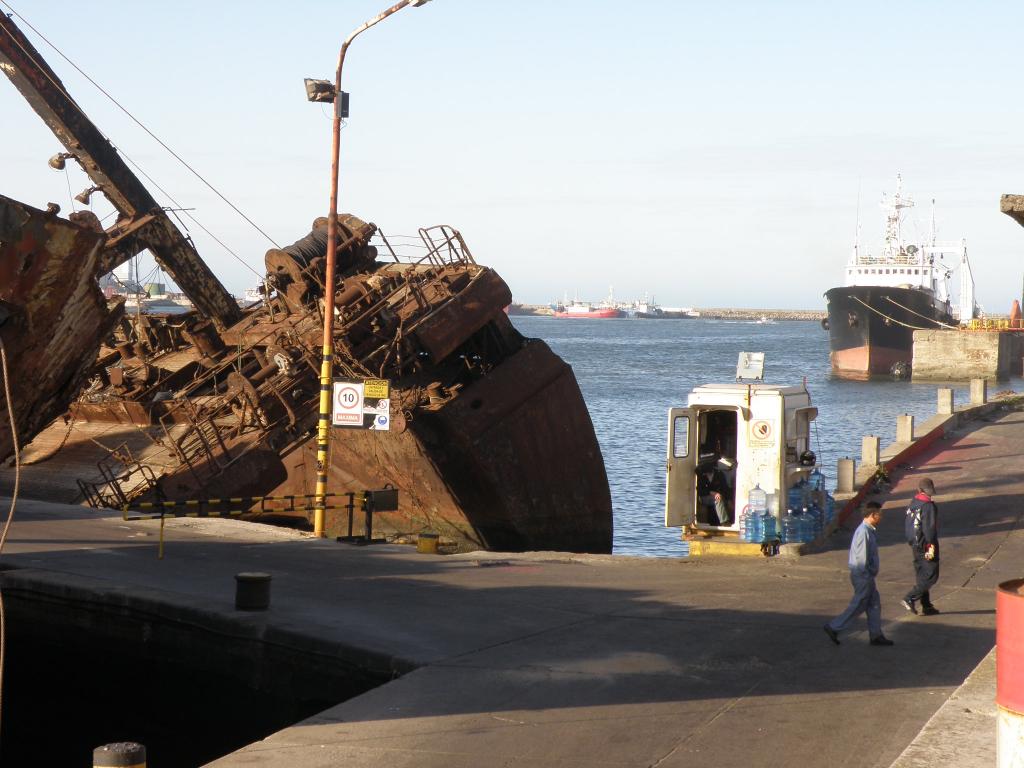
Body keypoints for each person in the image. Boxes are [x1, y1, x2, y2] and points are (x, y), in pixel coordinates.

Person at [824, 502, 894, 646]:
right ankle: (834, 626)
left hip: (867, 575)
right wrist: (866, 575)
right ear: (873, 515)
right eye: (879, 514)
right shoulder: (863, 532)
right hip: (863, 575)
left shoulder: (868, 531)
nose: (881, 517)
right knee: (859, 604)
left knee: (874, 604)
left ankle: (876, 635)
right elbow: (861, 558)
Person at [901, 478, 940, 616]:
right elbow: (929, 529)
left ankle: (926, 605)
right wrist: (930, 547)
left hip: (915, 544)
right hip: (926, 544)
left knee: (921, 574)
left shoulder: (913, 503)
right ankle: (910, 597)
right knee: (931, 575)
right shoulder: (928, 506)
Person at [696, 460, 729, 525]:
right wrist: (711, 493)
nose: (705, 474)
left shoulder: (719, 474)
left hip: (718, 496)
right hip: (704, 497)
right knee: (718, 499)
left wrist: (729, 499)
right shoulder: (701, 475)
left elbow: (725, 488)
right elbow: (699, 490)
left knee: (720, 498)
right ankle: (724, 522)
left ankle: (722, 522)